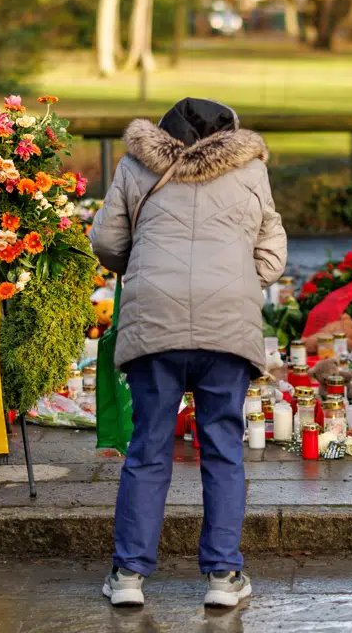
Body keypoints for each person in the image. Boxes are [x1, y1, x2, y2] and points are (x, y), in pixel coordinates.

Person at [89, 98, 286, 608]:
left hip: (155, 321)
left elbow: (107, 241)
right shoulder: (250, 170)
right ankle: (223, 576)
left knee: (148, 447)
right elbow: (273, 252)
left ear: (163, 132)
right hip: (227, 324)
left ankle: (128, 575)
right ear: (230, 134)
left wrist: (146, 269)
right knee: (222, 448)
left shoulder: (135, 166)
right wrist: (237, 281)